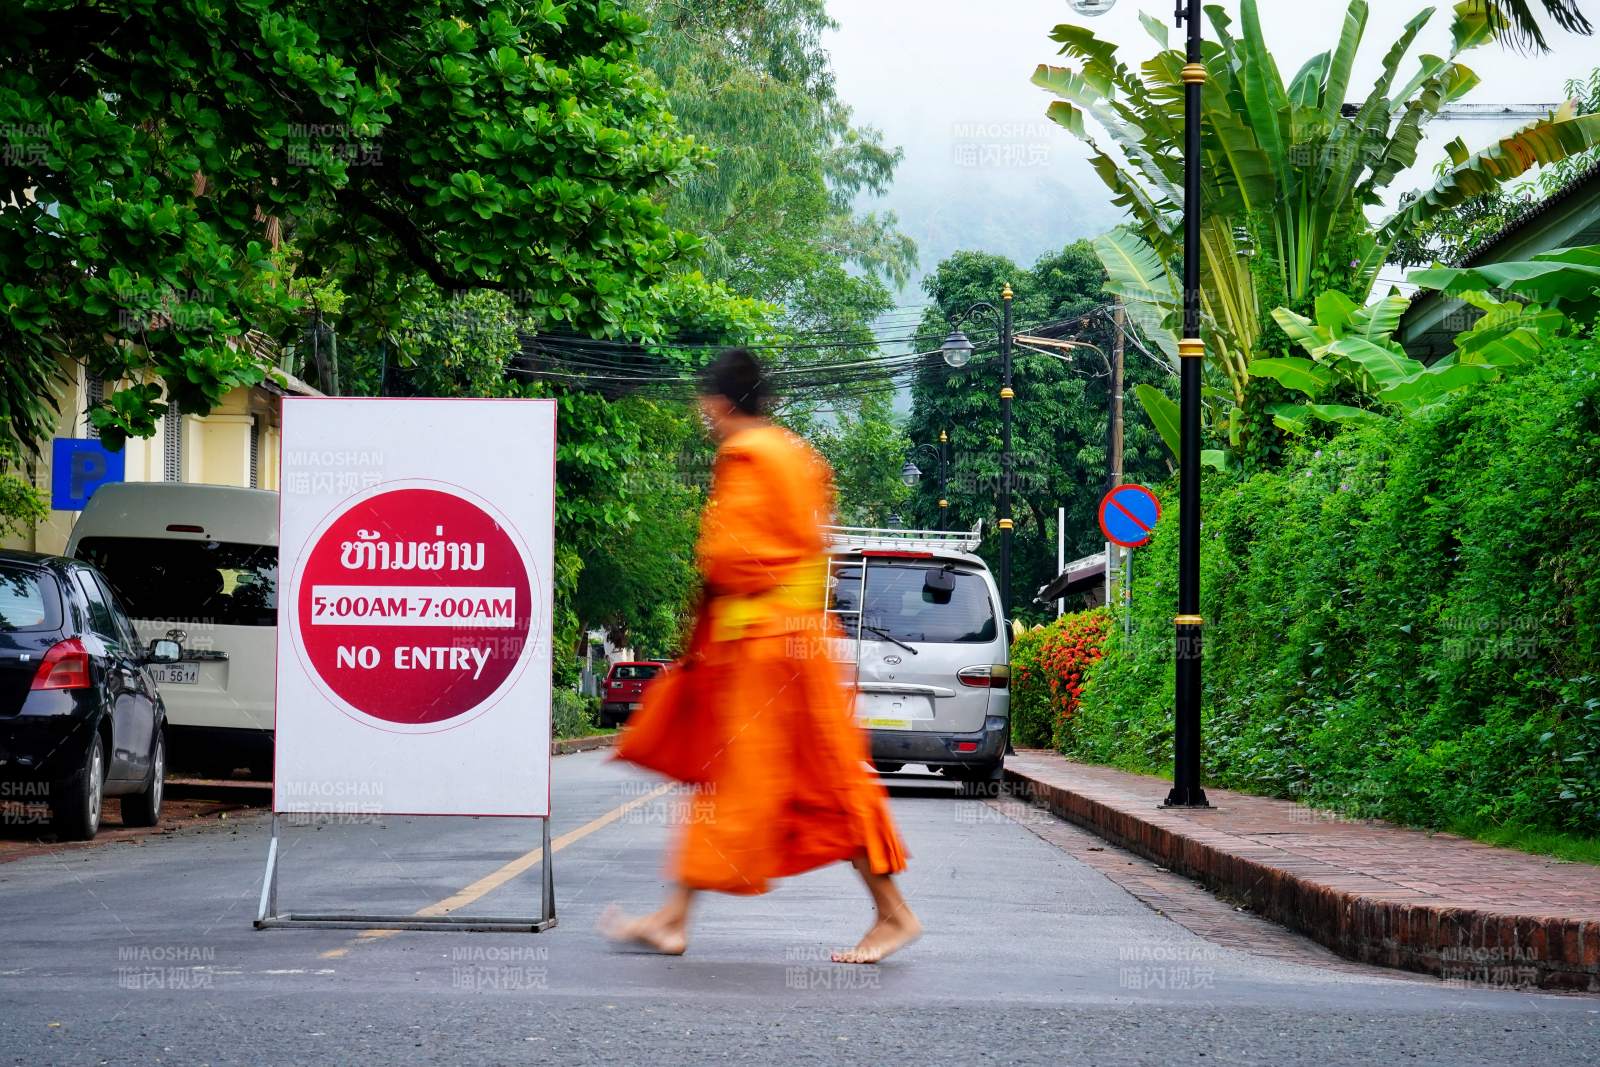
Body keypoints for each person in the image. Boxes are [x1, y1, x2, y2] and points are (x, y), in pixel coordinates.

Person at [601, 347, 920, 964]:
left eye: (704, 405)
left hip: (765, 649)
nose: (705, 417)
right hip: (797, 642)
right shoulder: (798, 455)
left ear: (719, 403)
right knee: (743, 779)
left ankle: (895, 913)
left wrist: (702, 635)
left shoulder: (744, 454)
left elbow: (730, 557)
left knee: (797, 782)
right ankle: (674, 918)